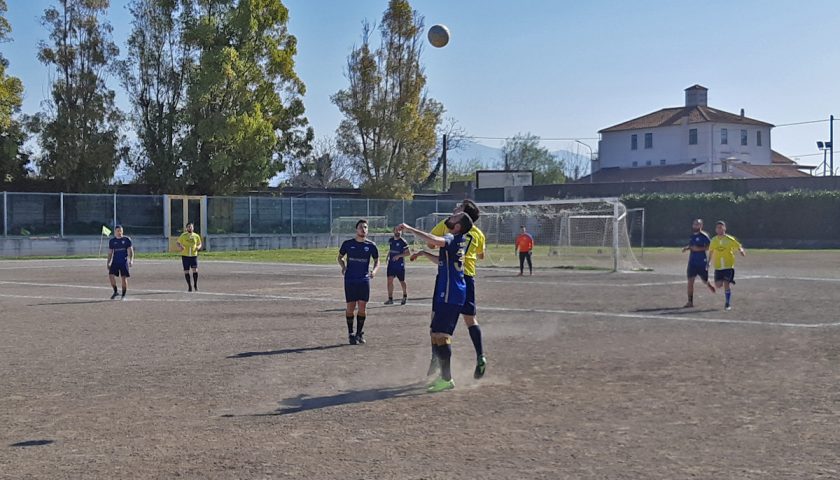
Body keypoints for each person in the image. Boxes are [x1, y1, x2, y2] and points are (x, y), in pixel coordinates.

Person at [400, 211, 474, 393]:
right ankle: (443, 376)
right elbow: (442, 259)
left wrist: (410, 229)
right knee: (435, 333)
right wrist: (425, 253)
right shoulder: (456, 241)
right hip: (448, 293)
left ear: (457, 226)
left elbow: (436, 240)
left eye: (456, 217)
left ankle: (447, 379)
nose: (452, 216)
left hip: (451, 293)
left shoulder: (452, 237)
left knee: (441, 334)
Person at [429, 200, 487, 379]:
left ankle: (436, 361)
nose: (455, 208)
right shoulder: (478, 233)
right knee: (471, 320)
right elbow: (481, 255)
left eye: (459, 207)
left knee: (436, 323)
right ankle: (480, 355)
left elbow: (432, 244)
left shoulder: (448, 225)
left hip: (450, 277)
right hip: (468, 276)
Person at [337, 219, 379, 345]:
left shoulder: (371, 245)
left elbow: (377, 260)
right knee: (350, 307)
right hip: (350, 279)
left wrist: (375, 271)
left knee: (362, 306)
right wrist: (343, 266)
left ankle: (359, 333)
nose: (363, 229)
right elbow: (340, 257)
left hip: (363, 279)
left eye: (365, 227)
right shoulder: (348, 244)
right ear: (356, 229)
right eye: (361, 227)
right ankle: (350, 333)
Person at [708, 220, 746, 311]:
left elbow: (738, 245)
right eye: (717, 228)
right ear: (716, 229)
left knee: (726, 283)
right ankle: (729, 280)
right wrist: (708, 262)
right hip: (718, 266)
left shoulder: (729, 239)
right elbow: (711, 251)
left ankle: (727, 303)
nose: (719, 229)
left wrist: (741, 250)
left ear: (724, 228)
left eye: (721, 227)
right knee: (718, 285)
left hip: (728, 265)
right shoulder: (713, 240)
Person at [681, 218, 716, 308]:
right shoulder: (692, 236)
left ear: (701, 226)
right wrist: (687, 248)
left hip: (701, 262)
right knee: (690, 282)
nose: (695, 225)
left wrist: (699, 249)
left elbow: (710, 247)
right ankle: (690, 302)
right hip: (692, 262)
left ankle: (708, 284)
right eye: (694, 224)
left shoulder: (704, 236)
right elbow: (692, 245)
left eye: (698, 224)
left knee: (704, 280)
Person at [107, 225, 134, 300]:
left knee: (123, 278)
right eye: (118, 231)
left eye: (120, 231)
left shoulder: (127, 240)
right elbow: (110, 253)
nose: (119, 232)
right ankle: (115, 291)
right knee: (111, 276)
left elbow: (131, 251)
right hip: (115, 261)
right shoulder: (112, 241)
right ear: (115, 232)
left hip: (123, 261)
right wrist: (108, 262)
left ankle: (123, 295)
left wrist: (131, 260)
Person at [385, 227, 410, 305]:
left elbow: (408, 253)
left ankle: (405, 295)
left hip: (399, 265)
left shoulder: (403, 242)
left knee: (402, 281)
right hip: (391, 264)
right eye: (396, 230)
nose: (398, 232)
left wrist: (399, 256)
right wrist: (388, 255)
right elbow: (391, 249)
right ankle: (390, 299)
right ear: (393, 231)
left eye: (399, 230)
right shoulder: (391, 240)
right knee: (389, 280)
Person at [177, 223, 202, 292]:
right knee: (186, 271)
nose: (190, 228)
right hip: (185, 256)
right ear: (186, 228)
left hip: (193, 255)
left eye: (191, 227)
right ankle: (189, 286)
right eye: (188, 227)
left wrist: (198, 247)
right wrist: (180, 247)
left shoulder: (196, 236)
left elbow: (199, 243)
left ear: (193, 228)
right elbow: (178, 243)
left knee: (195, 270)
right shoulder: (183, 235)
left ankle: (195, 285)